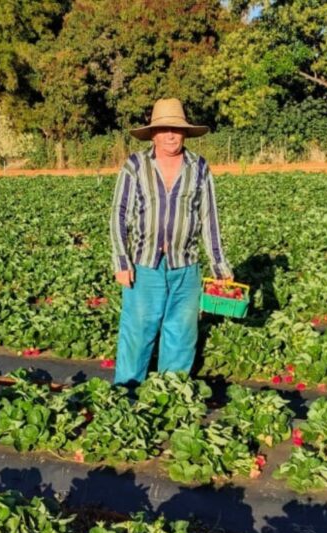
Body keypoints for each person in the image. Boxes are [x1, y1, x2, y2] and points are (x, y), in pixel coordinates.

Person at [109, 97, 234, 385]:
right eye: (164, 129)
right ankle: (126, 395)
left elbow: (209, 218)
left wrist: (219, 265)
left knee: (181, 335)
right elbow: (119, 213)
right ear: (153, 133)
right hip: (144, 266)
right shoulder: (135, 166)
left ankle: (172, 395)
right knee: (137, 333)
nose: (170, 135)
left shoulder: (199, 167)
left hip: (185, 267)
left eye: (176, 129)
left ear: (185, 133)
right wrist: (121, 261)